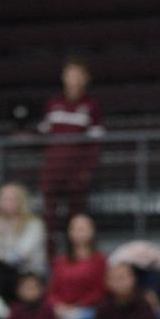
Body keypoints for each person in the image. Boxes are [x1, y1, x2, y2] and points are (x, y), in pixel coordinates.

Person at [37, 59, 103, 242]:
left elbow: (96, 144)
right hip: (53, 171)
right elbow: (42, 135)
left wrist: (86, 171)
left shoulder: (92, 106)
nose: (73, 79)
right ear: (63, 78)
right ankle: (51, 263)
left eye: (77, 75)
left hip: (76, 174)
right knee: (49, 220)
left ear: (85, 79)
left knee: (76, 221)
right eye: (70, 75)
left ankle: (74, 263)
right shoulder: (53, 104)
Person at [0, 183, 47, 319]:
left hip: (29, 273)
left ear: (21, 201)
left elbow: (19, 256)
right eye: (4, 198)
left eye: (12, 198)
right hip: (5, 272)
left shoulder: (35, 225)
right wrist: (0, 234)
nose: (7, 202)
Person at [48, 212, 107, 319]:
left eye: (84, 228)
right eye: (76, 228)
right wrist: (58, 307)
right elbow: (52, 292)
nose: (80, 232)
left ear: (92, 231)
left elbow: (100, 292)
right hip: (61, 310)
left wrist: (76, 309)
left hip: (89, 310)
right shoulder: (60, 261)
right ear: (69, 233)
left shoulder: (100, 260)